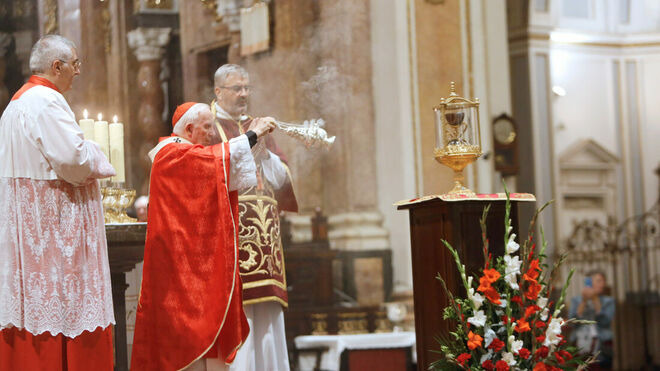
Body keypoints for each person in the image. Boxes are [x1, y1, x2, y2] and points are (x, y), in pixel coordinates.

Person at [130, 102, 276, 371]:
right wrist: (252, 134)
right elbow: (213, 162)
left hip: (188, 263)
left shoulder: (182, 154)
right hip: (176, 271)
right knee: (185, 343)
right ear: (189, 129)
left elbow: (222, 173)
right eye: (207, 127)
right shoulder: (172, 154)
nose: (212, 134)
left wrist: (252, 140)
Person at [0, 35, 116, 370]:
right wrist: (97, 152)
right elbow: (74, 161)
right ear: (57, 66)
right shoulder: (45, 101)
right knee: (64, 310)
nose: (78, 71)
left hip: (29, 229)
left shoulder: (16, 103)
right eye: (75, 64)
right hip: (53, 231)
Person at [212, 64, 298, 371]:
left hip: (266, 239)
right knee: (241, 313)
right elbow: (207, 174)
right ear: (218, 91)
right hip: (232, 236)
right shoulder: (208, 127)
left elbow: (282, 180)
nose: (244, 94)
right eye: (237, 89)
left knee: (267, 316)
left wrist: (266, 154)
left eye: (247, 88)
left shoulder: (259, 126)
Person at [569, 270, 615, 370]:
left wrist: (595, 300)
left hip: (602, 345)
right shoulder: (576, 300)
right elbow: (572, 323)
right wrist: (584, 301)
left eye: (603, 281)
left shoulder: (608, 301)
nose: (602, 284)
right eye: (599, 281)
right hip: (580, 344)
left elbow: (605, 321)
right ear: (589, 282)